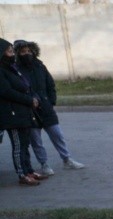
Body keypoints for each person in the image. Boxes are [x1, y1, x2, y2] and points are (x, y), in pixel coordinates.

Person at [14, 40, 85, 176]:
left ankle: (67, 160)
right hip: (29, 109)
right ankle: (44, 164)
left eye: (29, 51)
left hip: (46, 107)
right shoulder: (16, 69)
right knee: (36, 140)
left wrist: (51, 101)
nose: (27, 54)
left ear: (33, 51)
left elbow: (50, 84)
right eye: (23, 52)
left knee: (57, 135)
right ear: (18, 54)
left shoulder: (40, 66)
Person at [0, 38, 45, 186]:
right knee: (19, 146)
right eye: (9, 51)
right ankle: (22, 174)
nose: (12, 53)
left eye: (12, 50)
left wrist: (33, 97)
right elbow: (6, 92)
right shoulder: (1, 70)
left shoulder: (12, 68)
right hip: (12, 115)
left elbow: (25, 86)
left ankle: (29, 171)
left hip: (23, 111)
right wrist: (28, 100)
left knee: (25, 144)